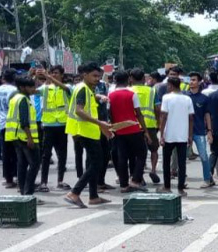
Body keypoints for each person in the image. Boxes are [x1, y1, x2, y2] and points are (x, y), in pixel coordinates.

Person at [64, 62, 113, 208]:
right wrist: (100, 123)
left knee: (92, 162)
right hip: (84, 130)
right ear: (84, 75)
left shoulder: (87, 89)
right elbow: (79, 110)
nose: (97, 79)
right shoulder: (82, 89)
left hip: (87, 130)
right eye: (94, 76)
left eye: (99, 76)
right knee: (97, 162)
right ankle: (75, 192)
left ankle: (93, 196)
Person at [109, 70, 149, 193]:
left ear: (115, 80)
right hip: (133, 128)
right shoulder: (132, 94)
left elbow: (109, 113)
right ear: (128, 80)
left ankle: (123, 184)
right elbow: (138, 113)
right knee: (142, 153)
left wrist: (113, 127)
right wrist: (145, 130)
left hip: (118, 129)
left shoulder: (110, 95)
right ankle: (136, 179)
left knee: (122, 157)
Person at [37, 65, 72, 192]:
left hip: (62, 124)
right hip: (48, 125)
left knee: (62, 155)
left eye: (56, 73)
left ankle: (60, 181)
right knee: (46, 155)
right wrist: (35, 75)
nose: (53, 75)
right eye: (52, 73)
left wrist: (49, 77)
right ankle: (43, 182)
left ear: (62, 75)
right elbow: (34, 90)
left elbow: (64, 88)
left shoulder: (67, 87)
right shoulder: (45, 88)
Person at [6, 77, 42, 200]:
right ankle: (28, 193)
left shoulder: (15, 98)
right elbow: (24, 122)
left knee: (22, 164)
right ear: (22, 88)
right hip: (24, 136)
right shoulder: (23, 100)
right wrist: (30, 139)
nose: (33, 89)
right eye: (31, 87)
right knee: (35, 164)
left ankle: (23, 192)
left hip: (16, 136)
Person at [158, 77, 193, 196]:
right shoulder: (187, 99)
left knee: (166, 162)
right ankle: (181, 188)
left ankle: (167, 186)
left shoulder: (166, 98)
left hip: (169, 135)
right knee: (182, 163)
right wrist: (190, 135)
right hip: (182, 135)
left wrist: (161, 134)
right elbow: (191, 118)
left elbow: (164, 117)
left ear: (171, 86)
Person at [129, 69, 161, 184]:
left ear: (131, 79)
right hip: (150, 124)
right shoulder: (152, 91)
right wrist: (158, 122)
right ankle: (153, 170)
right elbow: (158, 108)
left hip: (134, 125)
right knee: (154, 149)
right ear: (143, 79)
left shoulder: (129, 90)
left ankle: (138, 175)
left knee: (137, 152)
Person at [186, 72, 214, 188]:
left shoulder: (204, 99)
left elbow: (207, 115)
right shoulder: (184, 96)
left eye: (194, 80)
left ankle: (207, 179)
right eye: (190, 80)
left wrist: (209, 131)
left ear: (199, 82)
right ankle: (182, 180)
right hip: (185, 132)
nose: (191, 82)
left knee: (203, 156)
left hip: (199, 131)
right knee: (183, 157)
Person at [0, 68, 18, 188]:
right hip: (14, 124)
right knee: (17, 153)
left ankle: (8, 179)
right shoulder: (15, 90)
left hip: (3, 124)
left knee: (6, 153)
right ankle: (17, 176)